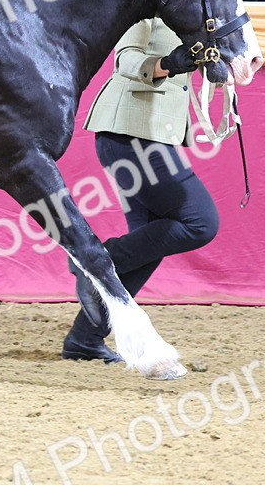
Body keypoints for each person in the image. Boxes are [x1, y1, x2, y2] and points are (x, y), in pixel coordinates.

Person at [62, 18, 219, 364]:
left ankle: (85, 339)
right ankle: (93, 261)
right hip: (130, 133)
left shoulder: (192, 13)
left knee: (147, 245)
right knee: (200, 222)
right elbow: (126, 59)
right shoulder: (147, 8)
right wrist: (166, 64)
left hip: (151, 134)